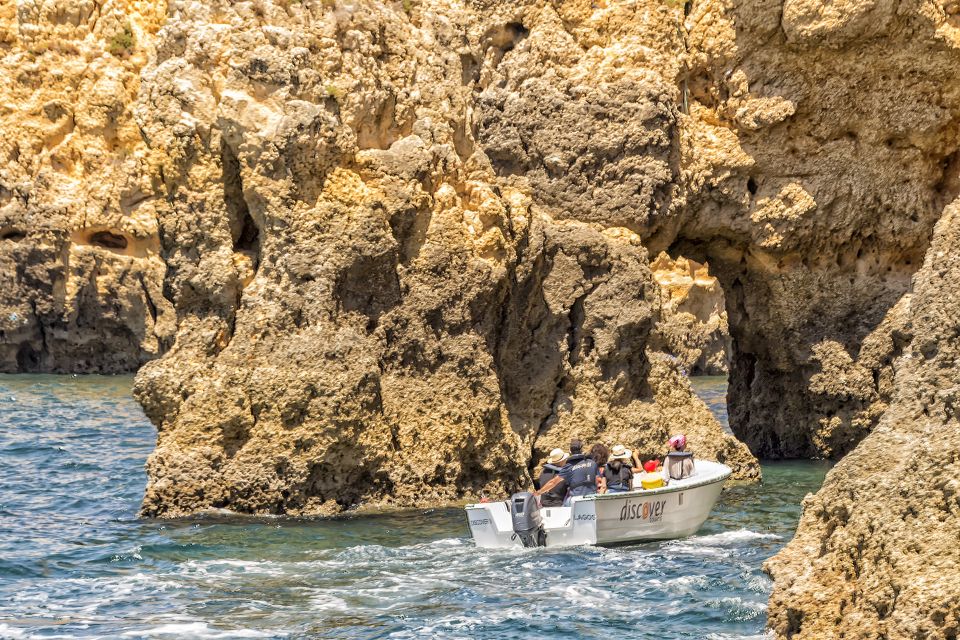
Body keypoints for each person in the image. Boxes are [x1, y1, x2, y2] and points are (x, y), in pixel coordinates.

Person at [534, 438, 598, 505]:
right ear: (582, 449)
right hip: (591, 498)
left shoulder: (545, 472)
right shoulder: (592, 463)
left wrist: (538, 492)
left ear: (570, 451)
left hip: (574, 500)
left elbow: (553, 482)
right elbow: (598, 480)